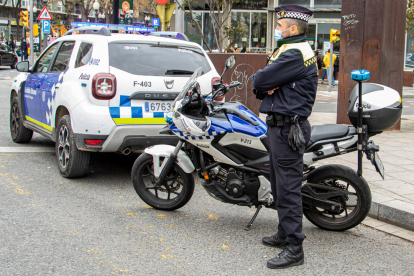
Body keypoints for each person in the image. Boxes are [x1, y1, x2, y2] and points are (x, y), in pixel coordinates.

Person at [252, 4, 317, 269]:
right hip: (281, 127)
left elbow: (260, 81)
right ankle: (283, 233)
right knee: (279, 185)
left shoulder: (294, 54)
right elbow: (264, 84)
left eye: (279, 26)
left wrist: (265, 83)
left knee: (288, 190)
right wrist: (265, 84)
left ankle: (294, 247)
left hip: (289, 129)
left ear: (292, 29)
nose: (276, 29)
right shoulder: (291, 50)